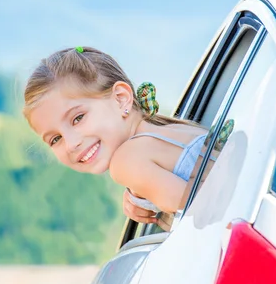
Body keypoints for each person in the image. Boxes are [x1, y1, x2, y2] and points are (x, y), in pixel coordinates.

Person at [23, 46, 208, 224]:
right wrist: (141, 191)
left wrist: (159, 214)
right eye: (56, 139)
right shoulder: (177, 130)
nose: (71, 144)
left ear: (120, 98)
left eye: (78, 118)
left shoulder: (126, 162)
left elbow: (204, 215)